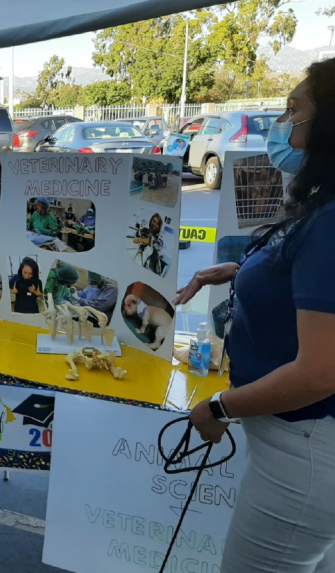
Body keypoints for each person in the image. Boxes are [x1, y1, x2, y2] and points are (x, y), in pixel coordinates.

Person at [177, 59, 335, 572]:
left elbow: (320, 371)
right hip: (298, 446)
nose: (282, 123)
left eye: (294, 109)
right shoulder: (323, 210)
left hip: (303, 451)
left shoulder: (331, 223)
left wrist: (220, 407)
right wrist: (246, 270)